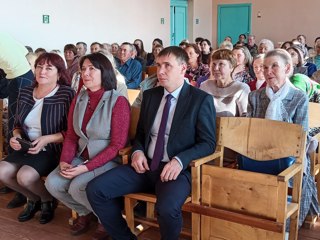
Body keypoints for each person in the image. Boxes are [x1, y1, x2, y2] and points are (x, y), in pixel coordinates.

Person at [86, 46, 216, 240]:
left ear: (182, 68)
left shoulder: (200, 99)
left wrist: (180, 160)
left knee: (166, 209)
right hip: (145, 165)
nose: (160, 71)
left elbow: (208, 142)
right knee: (95, 190)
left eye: (167, 66)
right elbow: (141, 134)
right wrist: (137, 151)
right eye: (158, 65)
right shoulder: (151, 96)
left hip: (176, 170)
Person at [45, 52, 130, 239]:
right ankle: (85, 212)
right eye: (83, 69)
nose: (86, 73)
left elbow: (117, 145)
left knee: (77, 187)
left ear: (104, 72)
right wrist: (65, 161)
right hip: (82, 156)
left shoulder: (118, 101)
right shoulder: (80, 98)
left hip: (108, 159)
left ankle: (105, 219)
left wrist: (84, 168)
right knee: (53, 183)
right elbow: (72, 136)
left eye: (92, 68)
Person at [247, 49, 319, 228]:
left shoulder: (298, 97)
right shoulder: (255, 96)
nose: (268, 71)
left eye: (274, 66)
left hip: (290, 155)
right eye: (265, 67)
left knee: (295, 177)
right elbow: (248, 131)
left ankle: (284, 228)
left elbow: (299, 135)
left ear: (287, 69)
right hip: (258, 152)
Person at [0, 52, 75, 224]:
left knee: (25, 177)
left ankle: (47, 200)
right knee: (2, 171)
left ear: (59, 72)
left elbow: (73, 132)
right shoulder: (25, 92)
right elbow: (17, 125)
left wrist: (47, 139)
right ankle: (33, 199)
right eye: (39, 66)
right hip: (26, 146)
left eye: (49, 68)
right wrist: (16, 137)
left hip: (52, 148)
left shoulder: (66, 94)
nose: (42, 71)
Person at [0, 32, 35, 208]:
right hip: (18, 77)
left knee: (16, 131)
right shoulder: (5, 37)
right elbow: (23, 52)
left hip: (20, 79)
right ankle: (14, 182)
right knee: (13, 132)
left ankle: (22, 189)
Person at [200, 49, 250, 117]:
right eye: (214, 64)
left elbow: (245, 118)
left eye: (221, 64)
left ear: (231, 67)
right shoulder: (205, 86)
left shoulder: (241, 89)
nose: (216, 68)